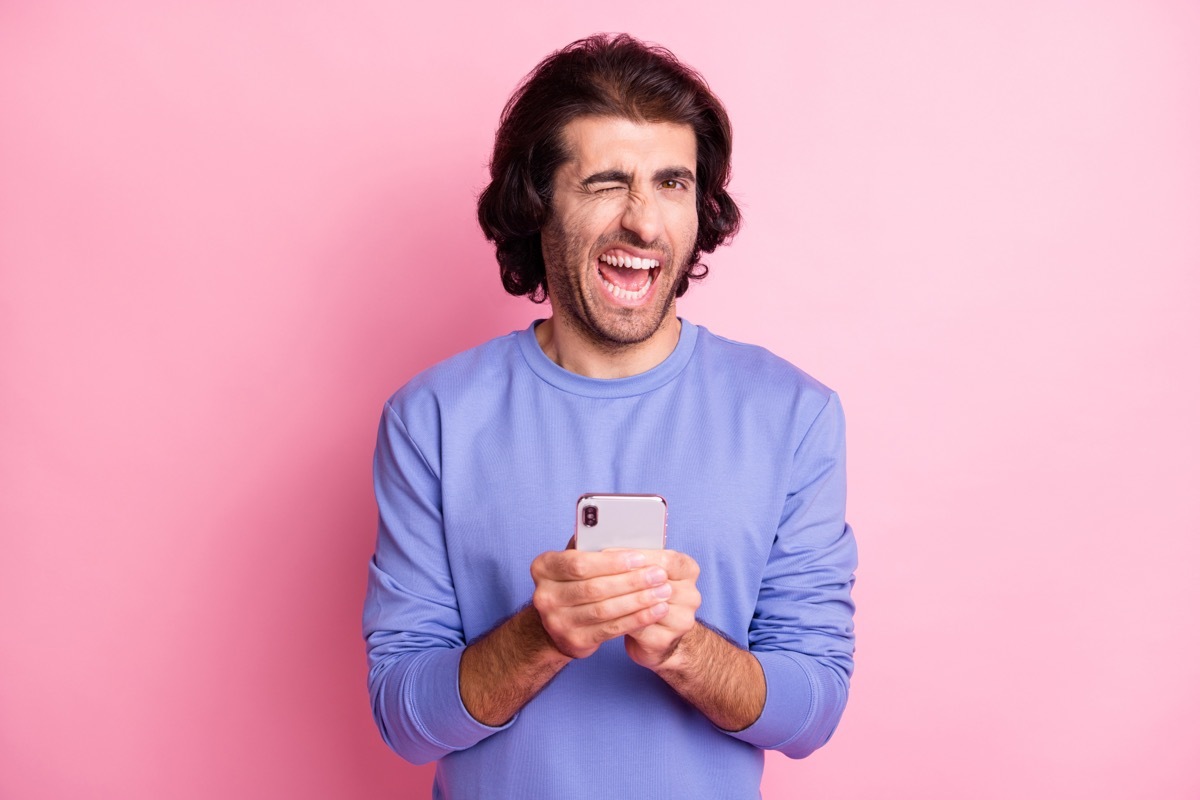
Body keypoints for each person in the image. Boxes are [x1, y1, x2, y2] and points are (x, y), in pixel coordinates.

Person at [363, 33, 857, 799]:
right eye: (605, 183)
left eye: (671, 184)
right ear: (538, 204)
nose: (645, 223)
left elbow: (813, 710)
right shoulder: (430, 419)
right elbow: (405, 718)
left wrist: (684, 649)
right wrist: (543, 634)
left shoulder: (792, 415)